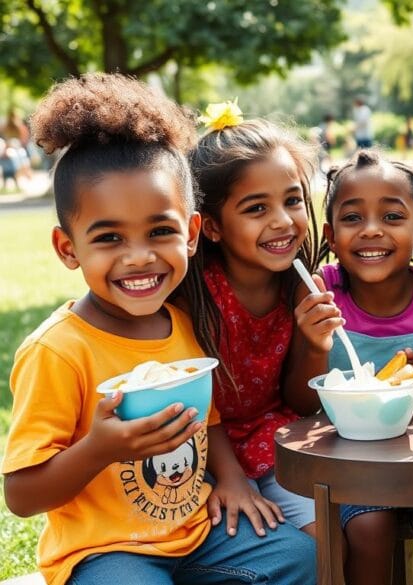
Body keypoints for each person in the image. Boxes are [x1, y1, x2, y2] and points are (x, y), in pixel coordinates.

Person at [1, 73, 315, 585]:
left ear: (191, 233)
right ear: (67, 249)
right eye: (108, 238)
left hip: (195, 532)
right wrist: (101, 448)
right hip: (106, 552)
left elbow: (207, 421)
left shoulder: (182, 323)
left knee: (297, 558)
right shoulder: (58, 350)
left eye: (160, 231)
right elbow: (21, 494)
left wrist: (234, 481)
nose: (140, 256)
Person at [182, 104, 342, 539]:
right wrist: (231, 477)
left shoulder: (300, 288)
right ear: (212, 227)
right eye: (256, 208)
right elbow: (196, 408)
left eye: (292, 200)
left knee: (330, 536)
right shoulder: (192, 299)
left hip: (273, 444)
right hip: (203, 454)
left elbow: (302, 402)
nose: (282, 221)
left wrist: (314, 346)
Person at [315, 149, 413, 584]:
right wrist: (314, 340)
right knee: (369, 527)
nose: (370, 231)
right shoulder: (321, 295)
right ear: (330, 235)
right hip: (351, 456)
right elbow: (297, 394)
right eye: (352, 219)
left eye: (391, 217)